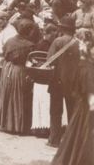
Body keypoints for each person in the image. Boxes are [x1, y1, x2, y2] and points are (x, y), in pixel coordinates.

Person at [51, 28, 94, 165]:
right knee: (83, 137)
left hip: (83, 106)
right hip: (87, 108)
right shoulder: (86, 67)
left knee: (77, 136)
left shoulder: (84, 65)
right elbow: (90, 94)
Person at [0, 19, 36, 134]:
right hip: (20, 71)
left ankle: (6, 123)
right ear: (28, 31)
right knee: (19, 96)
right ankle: (17, 126)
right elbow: (31, 61)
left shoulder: (9, 41)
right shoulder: (30, 45)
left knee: (7, 95)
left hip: (8, 69)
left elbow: (4, 53)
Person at [46, 16, 81, 147]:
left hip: (57, 81)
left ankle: (54, 139)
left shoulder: (58, 41)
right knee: (72, 111)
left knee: (55, 111)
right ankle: (72, 142)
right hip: (74, 82)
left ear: (61, 29)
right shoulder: (79, 43)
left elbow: (50, 60)